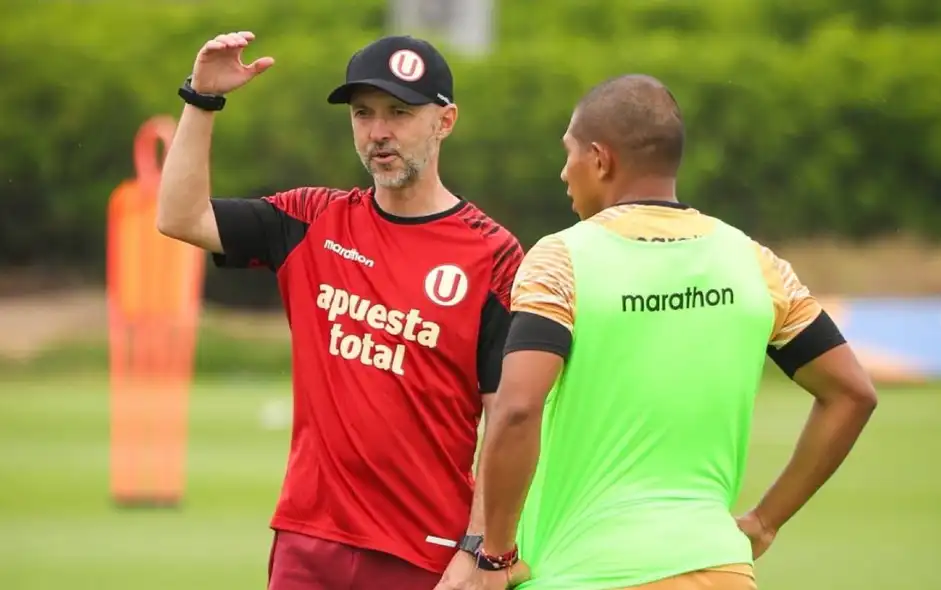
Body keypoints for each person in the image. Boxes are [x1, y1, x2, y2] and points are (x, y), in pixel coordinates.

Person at [469, 74, 878, 590]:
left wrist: (495, 556)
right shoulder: (753, 261)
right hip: (720, 568)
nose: (563, 172)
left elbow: (518, 408)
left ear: (600, 159)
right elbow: (852, 393)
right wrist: (764, 521)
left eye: (568, 153)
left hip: (587, 573)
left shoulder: (560, 259)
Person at [156, 31, 524, 590]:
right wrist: (202, 98)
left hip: (425, 554)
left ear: (445, 122)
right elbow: (181, 216)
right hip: (308, 545)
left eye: (399, 112)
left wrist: (480, 552)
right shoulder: (311, 220)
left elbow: (506, 420)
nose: (378, 132)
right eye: (363, 113)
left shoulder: (492, 254)